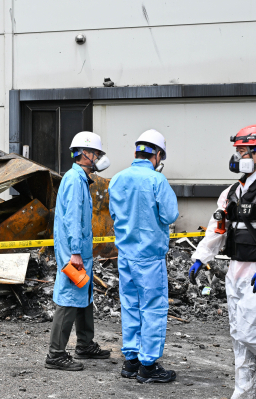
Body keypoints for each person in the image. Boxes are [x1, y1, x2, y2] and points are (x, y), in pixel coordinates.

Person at [188, 124, 256, 399]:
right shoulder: (232, 191)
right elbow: (217, 229)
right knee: (239, 335)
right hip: (236, 268)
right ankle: (245, 393)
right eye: (237, 150)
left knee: (255, 330)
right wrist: (200, 257)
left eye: (242, 150)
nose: (236, 156)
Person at [108, 129, 179, 383]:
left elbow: (114, 216)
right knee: (152, 308)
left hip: (125, 256)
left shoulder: (117, 179)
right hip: (149, 257)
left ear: (137, 151)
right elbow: (170, 215)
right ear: (157, 155)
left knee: (130, 306)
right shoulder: (157, 181)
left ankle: (131, 361)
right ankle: (148, 366)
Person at [45, 131, 112, 371]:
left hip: (79, 250)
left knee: (83, 294)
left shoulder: (80, 179)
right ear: (84, 154)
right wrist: (74, 252)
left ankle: (85, 344)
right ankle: (55, 354)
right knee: (69, 299)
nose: (98, 158)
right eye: (95, 153)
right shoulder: (74, 180)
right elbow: (73, 218)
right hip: (74, 251)